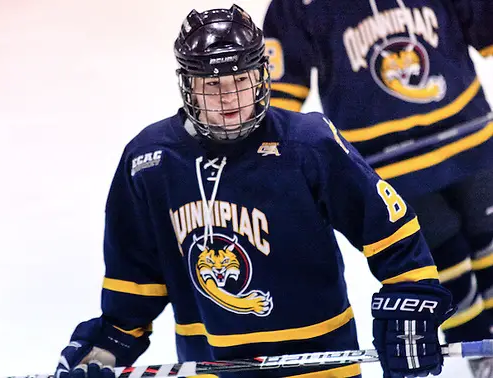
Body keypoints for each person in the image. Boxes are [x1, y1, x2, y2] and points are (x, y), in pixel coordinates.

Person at [55, 5, 455, 378]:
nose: (227, 97)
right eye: (211, 84)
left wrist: (412, 294)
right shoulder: (150, 160)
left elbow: (388, 226)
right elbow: (134, 281)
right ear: (188, 87)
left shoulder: (307, 143)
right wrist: (106, 349)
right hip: (210, 365)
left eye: (239, 81)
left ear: (261, 76)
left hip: (319, 365)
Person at [262, 1, 493, 376]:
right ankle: (481, 357)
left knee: (489, 247)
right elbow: (280, 90)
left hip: (472, 140)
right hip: (386, 167)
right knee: (444, 263)